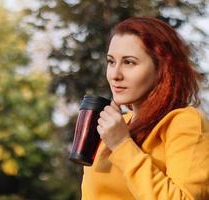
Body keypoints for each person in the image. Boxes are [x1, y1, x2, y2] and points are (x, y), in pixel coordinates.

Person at [81, 17, 209, 200]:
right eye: (111, 62)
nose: (115, 75)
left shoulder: (184, 122)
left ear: (162, 69)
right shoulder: (116, 126)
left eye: (129, 62)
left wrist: (122, 145)